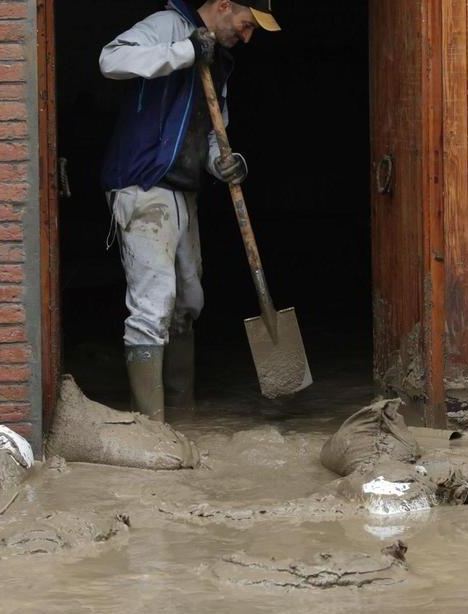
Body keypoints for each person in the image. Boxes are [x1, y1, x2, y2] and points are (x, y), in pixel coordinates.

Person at [98, 0, 281, 420]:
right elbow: (111, 58)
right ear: (222, 6)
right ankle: (151, 429)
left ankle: (184, 418)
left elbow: (215, 137)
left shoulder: (220, 63)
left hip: (183, 191)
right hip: (143, 182)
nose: (248, 36)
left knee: (187, 300)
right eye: (247, 24)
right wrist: (185, 50)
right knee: (154, 301)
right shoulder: (168, 25)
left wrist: (226, 163)